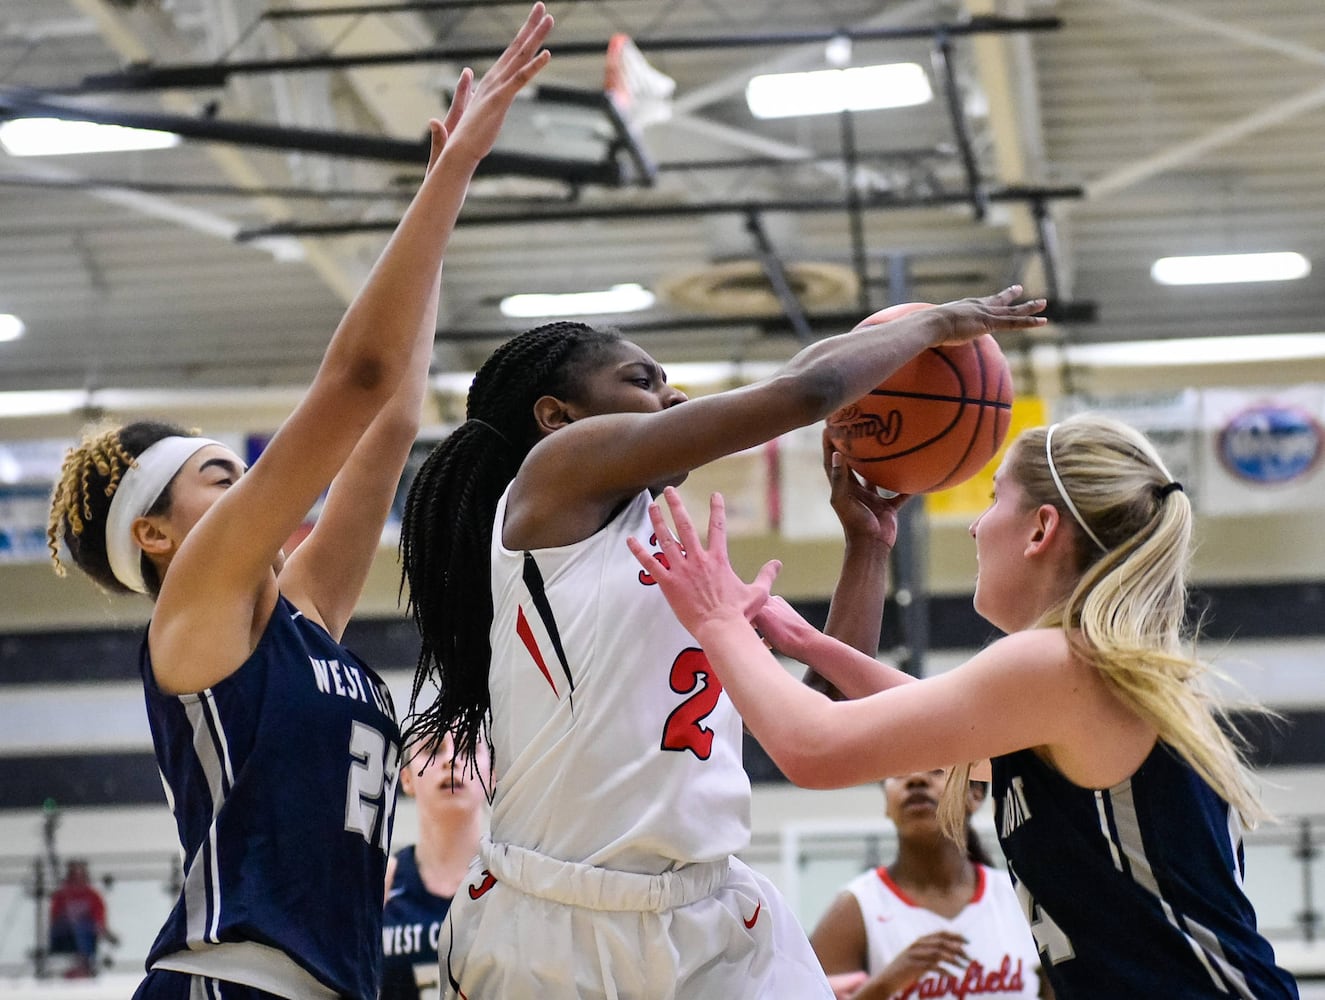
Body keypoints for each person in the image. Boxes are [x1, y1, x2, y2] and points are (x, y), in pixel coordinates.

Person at [44, 10, 554, 999]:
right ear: (154, 534)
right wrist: (450, 176)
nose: (242, 482)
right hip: (233, 982)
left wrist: (440, 192)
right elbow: (358, 377)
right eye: (215, 475)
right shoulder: (195, 606)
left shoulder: (300, 616)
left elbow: (393, 414)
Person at [397, 285, 1047, 998]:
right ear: (560, 417)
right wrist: (937, 322)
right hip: (558, 918)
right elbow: (807, 391)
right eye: (643, 382)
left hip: (713, 914)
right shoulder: (553, 481)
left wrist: (866, 547)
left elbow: (820, 718)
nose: (673, 399)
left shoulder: (679, 553)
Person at [627, 413, 1300, 998]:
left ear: (1039, 529)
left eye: (990, 499)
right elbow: (941, 722)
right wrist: (803, 640)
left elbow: (814, 747)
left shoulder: (1058, 661)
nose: (977, 525)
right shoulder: (1084, 669)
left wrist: (716, 623)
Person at [811, 773, 1048, 1000]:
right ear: (885, 802)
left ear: (975, 794)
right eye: (899, 773)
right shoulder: (855, 907)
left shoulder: (1020, 895)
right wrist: (885, 985)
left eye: (937, 770)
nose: (916, 779)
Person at [381, 732, 487, 1000]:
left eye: (468, 748)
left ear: (493, 774)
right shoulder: (380, 886)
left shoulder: (515, 885)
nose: (451, 759)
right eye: (433, 748)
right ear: (406, 777)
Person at [48, 859, 118, 978]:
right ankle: (78, 964)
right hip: (65, 933)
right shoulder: (61, 896)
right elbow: (54, 917)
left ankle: (84, 964)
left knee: (83, 929)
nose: (78, 882)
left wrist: (102, 930)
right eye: (75, 877)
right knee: (77, 929)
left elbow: (99, 919)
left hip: (86, 933)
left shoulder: (93, 896)